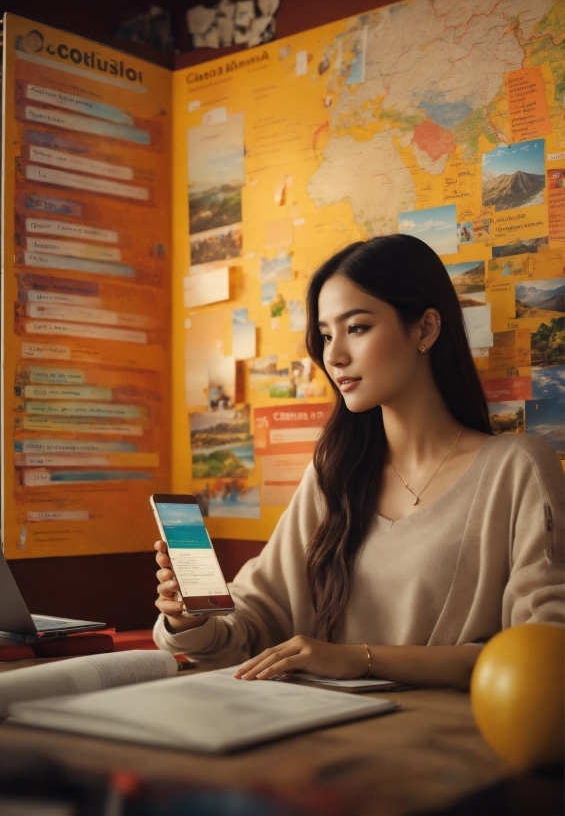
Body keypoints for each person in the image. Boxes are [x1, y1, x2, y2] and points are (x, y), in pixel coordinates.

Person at [153, 235, 564, 690]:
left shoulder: (518, 468)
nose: (334, 355)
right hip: (321, 734)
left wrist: (361, 659)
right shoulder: (335, 473)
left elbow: (543, 651)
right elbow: (249, 626)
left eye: (358, 328)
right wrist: (188, 620)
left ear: (425, 329)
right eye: (326, 335)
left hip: (453, 741)